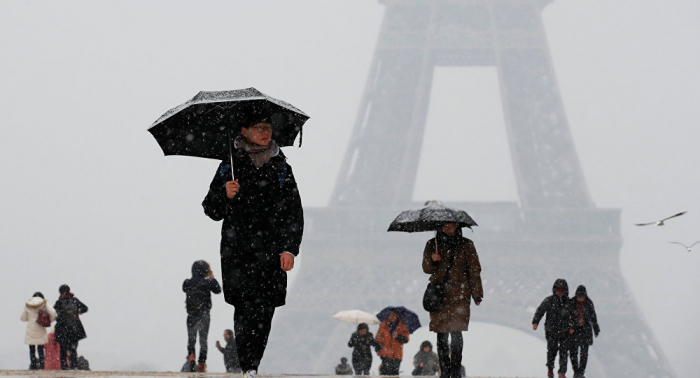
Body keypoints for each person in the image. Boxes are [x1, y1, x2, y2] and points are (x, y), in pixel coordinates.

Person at [202, 118, 304, 378]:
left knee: (265, 309)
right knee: (245, 308)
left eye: (268, 128)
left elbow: (293, 211)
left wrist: (290, 249)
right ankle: (249, 365)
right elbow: (211, 209)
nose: (266, 132)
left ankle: (253, 363)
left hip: (271, 250)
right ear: (244, 131)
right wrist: (224, 194)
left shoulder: (282, 168)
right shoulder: (230, 166)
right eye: (260, 127)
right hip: (239, 250)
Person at [422, 223, 483, 378]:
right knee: (441, 335)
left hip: (459, 295)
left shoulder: (467, 245)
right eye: (446, 225)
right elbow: (426, 268)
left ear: (457, 226)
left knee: (456, 333)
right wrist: (432, 259)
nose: (449, 228)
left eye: (452, 225)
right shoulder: (432, 244)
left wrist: (477, 293)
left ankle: (455, 370)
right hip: (440, 294)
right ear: (440, 226)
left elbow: (474, 269)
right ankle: (445, 370)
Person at [183, 260, 221, 372]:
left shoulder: (187, 282)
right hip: (204, 313)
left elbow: (184, 289)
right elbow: (218, 290)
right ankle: (201, 363)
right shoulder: (207, 282)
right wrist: (212, 278)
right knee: (203, 340)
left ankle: (191, 356)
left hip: (191, 314)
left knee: (191, 338)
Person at [532, 279, 574, 378]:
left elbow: (574, 316)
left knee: (564, 351)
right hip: (552, 330)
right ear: (554, 289)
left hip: (565, 330)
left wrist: (572, 327)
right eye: (558, 289)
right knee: (552, 350)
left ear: (566, 290)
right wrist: (535, 322)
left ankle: (562, 372)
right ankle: (550, 368)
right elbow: (540, 311)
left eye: (562, 289)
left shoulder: (569, 302)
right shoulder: (549, 301)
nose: (560, 291)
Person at [53, 284, 88, 370]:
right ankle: (74, 366)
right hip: (74, 328)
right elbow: (85, 308)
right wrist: (79, 311)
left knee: (63, 349)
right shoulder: (74, 300)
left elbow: (54, 314)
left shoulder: (59, 302)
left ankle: (64, 366)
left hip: (62, 329)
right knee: (73, 349)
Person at [569, 285, 600, 378]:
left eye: (582, 297)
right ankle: (576, 371)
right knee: (573, 352)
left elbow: (593, 317)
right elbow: (567, 317)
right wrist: (570, 327)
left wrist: (596, 329)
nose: (580, 299)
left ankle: (581, 372)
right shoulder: (571, 303)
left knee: (584, 353)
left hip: (585, 330)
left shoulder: (589, 303)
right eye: (579, 297)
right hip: (574, 330)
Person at [20, 292, 57, 370]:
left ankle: (33, 365)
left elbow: (22, 318)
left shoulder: (28, 305)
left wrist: (29, 318)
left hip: (30, 329)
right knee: (40, 348)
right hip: (40, 327)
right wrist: (50, 320)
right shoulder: (44, 303)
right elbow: (53, 312)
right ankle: (41, 365)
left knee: (32, 349)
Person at [375, 311, 410, 375]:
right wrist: (377, 349)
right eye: (390, 315)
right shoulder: (383, 325)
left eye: (394, 315)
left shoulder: (402, 326)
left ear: (397, 316)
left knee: (394, 374)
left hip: (396, 355)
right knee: (385, 373)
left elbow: (406, 339)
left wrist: (398, 336)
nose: (392, 317)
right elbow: (378, 338)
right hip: (385, 354)